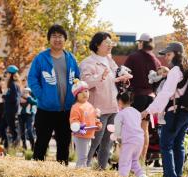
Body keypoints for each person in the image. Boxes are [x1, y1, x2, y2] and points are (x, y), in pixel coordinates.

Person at [141, 42, 188, 177]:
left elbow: (166, 93)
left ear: (177, 54)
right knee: (179, 145)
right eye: (165, 54)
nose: (166, 57)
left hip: (174, 113)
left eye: (169, 54)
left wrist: (148, 110)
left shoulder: (176, 70)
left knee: (166, 145)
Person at [29, 24, 80, 164]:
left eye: (60, 36)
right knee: (41, 144)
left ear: (65, 39)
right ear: (49, 39)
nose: (57, 39)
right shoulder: (41, 58)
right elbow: (32, 79)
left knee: (64, 145)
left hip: (66, 110)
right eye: (54, 36)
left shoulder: (71, 58)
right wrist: (42, 96)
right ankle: (36, 176)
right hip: (45, 109)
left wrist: (76, 97)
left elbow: (78, 79)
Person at [80, 32, 130, 169]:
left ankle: (101, 171)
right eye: (106, 43)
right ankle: (83, 169)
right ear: (97, 45)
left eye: (110, 43)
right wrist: (100, 77)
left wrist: (123, 79)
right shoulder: (87, 62)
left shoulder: (109, 60)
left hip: (113, 107)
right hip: (97, 110)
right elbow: (85, 83)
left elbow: (115, 76)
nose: (110, 45)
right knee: (93, 142)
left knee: (107, 143)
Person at [124, 33, 161, 161]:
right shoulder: (156, 60)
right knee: (144, 129)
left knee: (132, 129)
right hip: (150, 98)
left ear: (141, 43)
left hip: (137, 97)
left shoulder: (133, 57)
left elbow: (124, 75)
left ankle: (131, 161)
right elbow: (158, 82)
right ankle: (141, 160)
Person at [111, 92, 148, 177]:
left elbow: (117, 129)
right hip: (139, 139)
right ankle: (141, 175)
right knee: (134, 160)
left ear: (119, 101)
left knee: (124, 161)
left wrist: (116, 137)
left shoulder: (120, 114)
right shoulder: (137, 112)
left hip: (129, 140)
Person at [69, 79, 100, 167]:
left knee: (85, 156)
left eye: (86, 91)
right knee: (83, 157)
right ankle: (80, 171)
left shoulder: (89, 105)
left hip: (89, 134)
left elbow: (93, 118)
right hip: (80, 135)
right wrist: (77, 126)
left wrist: (97, 123)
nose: (84, 94)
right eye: (81, 92)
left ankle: (81, 171)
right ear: (76, 95)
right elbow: (73, 120)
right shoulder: (76, 107)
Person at [3, 65, 21, 148]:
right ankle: (7, 145)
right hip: (9, 110)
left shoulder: (13, 84)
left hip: (11, 111)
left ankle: (14, 144)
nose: (6, 75)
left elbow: (14, 98)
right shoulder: (12, 84)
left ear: (10, 74)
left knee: (12, 129)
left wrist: (4, 97)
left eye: (7, 73)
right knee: (2, 128)